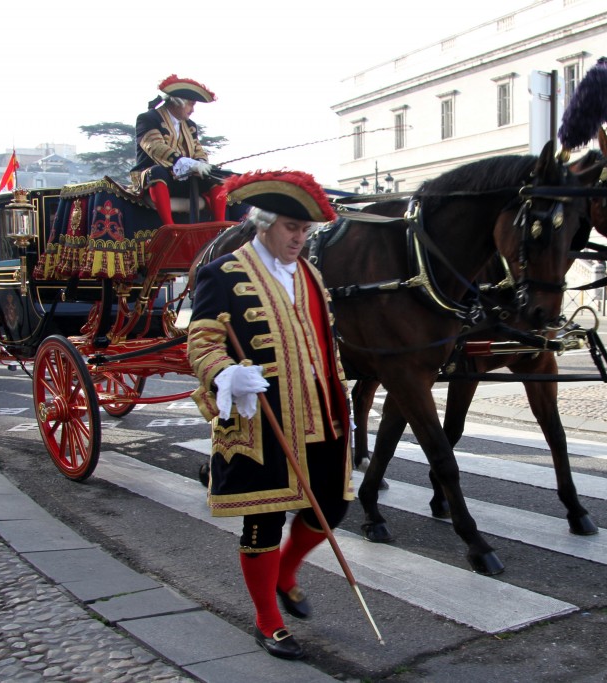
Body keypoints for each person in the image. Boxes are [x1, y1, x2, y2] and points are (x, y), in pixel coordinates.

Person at [187, 171, 353, 661]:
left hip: (321, 415)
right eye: (291, 228)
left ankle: (286, 571)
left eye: (306, 230)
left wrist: (341, 401)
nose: (300, 239)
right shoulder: (221, 274)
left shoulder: (312, 275)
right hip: (261, 420)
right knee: (262, 523)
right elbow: (201, 342)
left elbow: (327, 346)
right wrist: (224, 375)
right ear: (263, 224)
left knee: (333, 507)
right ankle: (267, 619)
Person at [131, 75, 227, 226]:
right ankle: (170, 227)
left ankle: (219, 226)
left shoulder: (190, 125)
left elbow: (198, 150)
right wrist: (187, 163)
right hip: (154, 179)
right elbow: (155, 147)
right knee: (157, 172)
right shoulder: (148, 118)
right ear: (178, 101)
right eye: (191, 105)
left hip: (184, 179)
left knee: (216, 175)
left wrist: (201, 163)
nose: (193, 110)